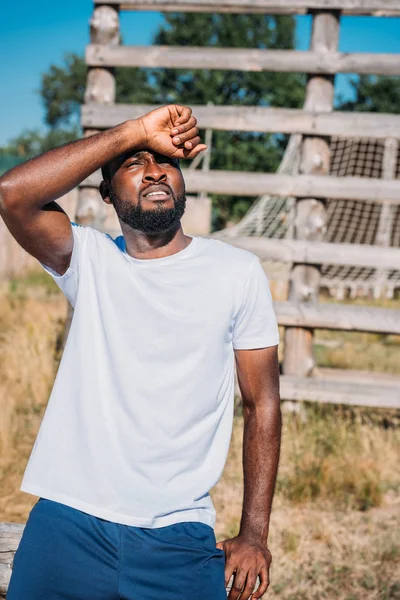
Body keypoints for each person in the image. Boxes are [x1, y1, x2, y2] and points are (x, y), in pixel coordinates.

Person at [1, 104, 281, 600]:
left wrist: (255, 532)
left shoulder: (237, 272)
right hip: (69, 523)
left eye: (165, 161)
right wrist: (134, 131)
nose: (154, 171)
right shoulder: (89, 259)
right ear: (107, 194)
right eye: (133, 163)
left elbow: (263, 404)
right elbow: (13, 193)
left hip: (179, 532)